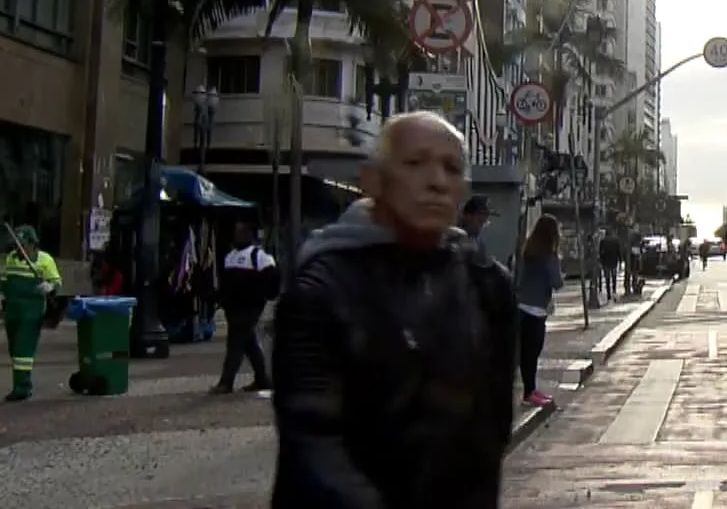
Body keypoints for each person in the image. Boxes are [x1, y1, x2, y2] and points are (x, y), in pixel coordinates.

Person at [271, 112, 516, 509]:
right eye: (414, 163)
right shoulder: (324, 288)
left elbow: (490, 435)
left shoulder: (487, 284)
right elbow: (313, 443)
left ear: (463, 190)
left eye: (450, 168)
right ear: (373, 180)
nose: (436, 181)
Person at [0, 224, 61, 402]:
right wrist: (1, 294)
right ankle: (21, 383)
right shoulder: (11, 258)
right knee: (14, 349)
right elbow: (5, 279)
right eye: (17, 244)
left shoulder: (44, 260)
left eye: (23, 244)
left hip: (31, 312)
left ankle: (22, 388)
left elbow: (56, 281)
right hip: (12, 310)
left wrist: (49, 287)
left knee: (22, 350)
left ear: (32, 244)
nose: (19, 248)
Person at [212, 222, 276, 395]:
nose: (237, 235)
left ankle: (226, 381)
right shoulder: (230, 257)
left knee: (235, 342)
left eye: (241, 232)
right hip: (233, 308)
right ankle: (263, 379)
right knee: (248, 343)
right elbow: (225, 283)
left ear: (250, 234)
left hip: (250, 308)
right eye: (236, 232)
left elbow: (272, 282)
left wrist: (260, 297)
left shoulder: (260, 256)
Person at [514, 214, 564, 408]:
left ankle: (530, 390)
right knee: (532, 353)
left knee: (524, 353)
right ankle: (529, 392)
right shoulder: (548, 256)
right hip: (536, 311)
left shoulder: (528, 251)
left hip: (522, 306)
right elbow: (557, 282)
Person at [597, 229, 622, 300]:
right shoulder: (616, 240)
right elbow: (619, 251)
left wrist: (601, 261)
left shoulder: (603, 241)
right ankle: (614, 290)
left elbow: (600, 252)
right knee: (614, 276)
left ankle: (608, 293)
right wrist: (620, 261)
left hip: (605, 262)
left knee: (607, 278)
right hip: (614, 261)